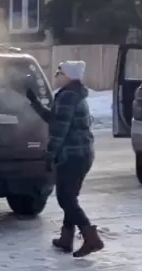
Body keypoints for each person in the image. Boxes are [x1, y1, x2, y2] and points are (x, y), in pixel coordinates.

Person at [25, 60, 104, 258]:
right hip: (82, 153)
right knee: (70, 197)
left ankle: (91, 237)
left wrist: (49, 155)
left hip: (72, 155)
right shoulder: (73, 94)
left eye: (59, 72)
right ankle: (66, 239)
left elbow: (59, 130)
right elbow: (55, 119)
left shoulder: (68, 96)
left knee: (65, 198)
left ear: (68, 76)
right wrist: (35, 103)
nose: (56, 76)